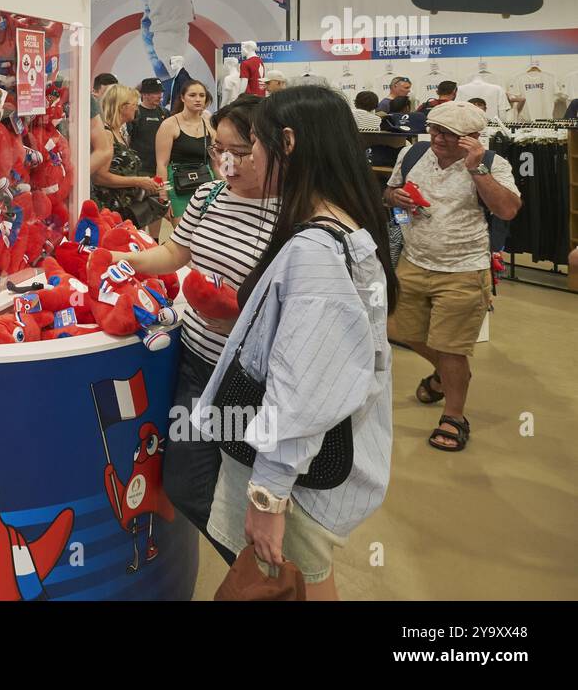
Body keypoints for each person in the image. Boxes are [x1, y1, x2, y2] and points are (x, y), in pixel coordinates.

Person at [195, 85, 396, 600]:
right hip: (319, 459)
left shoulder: (314, 250)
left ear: (286, 142)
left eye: (252, 146)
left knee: (292, 581)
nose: (239, 160)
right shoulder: (348, 229)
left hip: (301, 474)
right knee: (301, 580)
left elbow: (300, 387)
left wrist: (268, 495)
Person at [110, 94, 277, 564]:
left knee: (254, 492)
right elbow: (174, 254)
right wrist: (120, 260)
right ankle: (257, 575)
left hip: (253, 379)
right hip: (199, 365)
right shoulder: (207, 196)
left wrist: (239, 317)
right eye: (218, 149)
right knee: (185, 482)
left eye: (241, 151)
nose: (227, 162)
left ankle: (269, 580)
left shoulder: (293, 215)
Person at [385, 101, 521, 452]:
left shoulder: (493, 164)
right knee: (398, 330)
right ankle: (447, 375)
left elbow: (507, 209)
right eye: (434, 129)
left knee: (451, 347)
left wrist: (476, 170)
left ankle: (454, 415)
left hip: (463, 267)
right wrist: (395, 197)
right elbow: (390, 192)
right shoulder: (414, 154)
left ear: (473, 138)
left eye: (449, 134)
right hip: (414, 261)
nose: (438, 138)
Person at [90, 84, 163, 226]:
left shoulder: (120, 134)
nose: (137, 108)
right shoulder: (107, 134)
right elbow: (99, 177)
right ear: (122, 107)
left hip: (122, 207)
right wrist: (138, 181)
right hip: (110, 209)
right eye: (134, 104)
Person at [155, 78, 215, 218]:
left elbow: (215, 163)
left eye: (202, 95)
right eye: (192, 95)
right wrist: (163, 194)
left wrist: (225, 186)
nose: (198, 99)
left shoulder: (210, 125)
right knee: (182, 237)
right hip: (177, 186)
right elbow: (161, 164)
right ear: (182, 97)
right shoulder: (169, 125)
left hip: (205, 185)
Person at [128, 78, 168, 236]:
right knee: (140, 208)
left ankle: (155, 240)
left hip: (158, 170)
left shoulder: (164, 113)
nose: (159, 96)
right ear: (144, 94)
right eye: (155, 93)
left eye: (160, 92)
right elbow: (128, 140)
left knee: (157, 206)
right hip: (140, 172)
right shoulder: (136, 113)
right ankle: (140, 239)